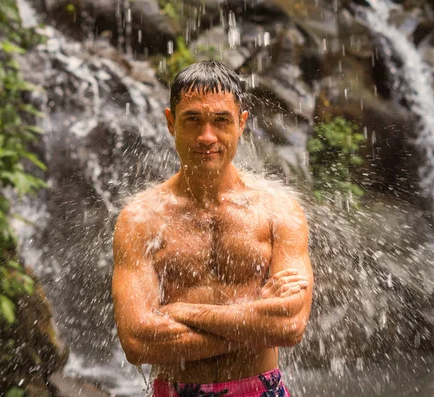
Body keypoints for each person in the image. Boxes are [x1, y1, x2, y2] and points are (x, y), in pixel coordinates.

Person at [112, 60, 313, 397]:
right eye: (193, 120)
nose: (207, 136)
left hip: (260, 389)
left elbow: (290, 326)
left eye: (221, 121)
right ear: (170, 122)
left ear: (241, 124)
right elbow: (137, 343)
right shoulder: (141, 219)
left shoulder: (279, 211)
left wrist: (187, 312)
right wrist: (256, 322)